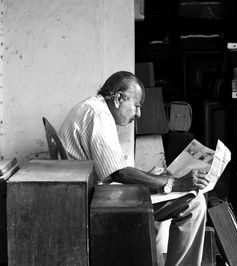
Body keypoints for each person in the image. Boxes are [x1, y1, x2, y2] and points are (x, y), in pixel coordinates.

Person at [58, 71, 209, 266]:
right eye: (136, 106)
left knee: (160, 187)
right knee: (194, 203)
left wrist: (154, 178)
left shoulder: (94, 108)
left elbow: (116, 168)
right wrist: (172, 182)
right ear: (119, 98)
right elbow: (118, 172)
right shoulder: (98, 114)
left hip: (91, 193)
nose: (138, 114)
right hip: (95, 201)